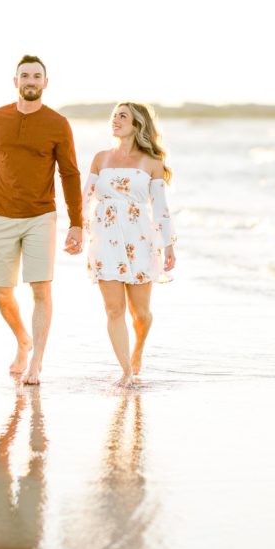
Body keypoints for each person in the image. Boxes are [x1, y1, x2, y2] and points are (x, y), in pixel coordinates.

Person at [0, 55, 82, 385]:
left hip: (40, 217)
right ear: (16, 82)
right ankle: (23, 339)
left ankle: (36, 362)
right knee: (1, 293)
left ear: (45, 83)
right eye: (25, 76)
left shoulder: (58, 124)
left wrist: (77, 222)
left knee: (41, 290)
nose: (31, 81)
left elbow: (69, 173)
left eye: (37, 76)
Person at [82, 102, 177, 387]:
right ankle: (126, 371)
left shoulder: (152, 163)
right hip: (105, 240)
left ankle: (138, 348)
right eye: (114, 116)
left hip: (139, 240)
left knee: (141, 314)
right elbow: (84, 199)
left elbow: (160, 207)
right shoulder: (101, 158)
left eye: (122, 116)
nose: (116, 120)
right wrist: (77, 232)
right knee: (114, 310)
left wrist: (168, 245)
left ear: (137, 125)